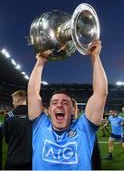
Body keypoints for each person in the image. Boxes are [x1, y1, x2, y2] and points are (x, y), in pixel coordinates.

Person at [28, 40, 108, 170]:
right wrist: (41, 61)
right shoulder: (40, 126)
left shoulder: (84, 129)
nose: (59, 105)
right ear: (48, 110)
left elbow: (101, 93)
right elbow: (32, 93)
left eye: (65, 102)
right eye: (54, 102)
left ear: (72, 110)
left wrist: (95, 57)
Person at [4, 90, 32, 170]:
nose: (13, 102)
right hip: (31, 160)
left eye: (13, 100)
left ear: (18, 100)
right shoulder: (34, 115)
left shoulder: (9, 116)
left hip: (13, 160)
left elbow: (7, 140)